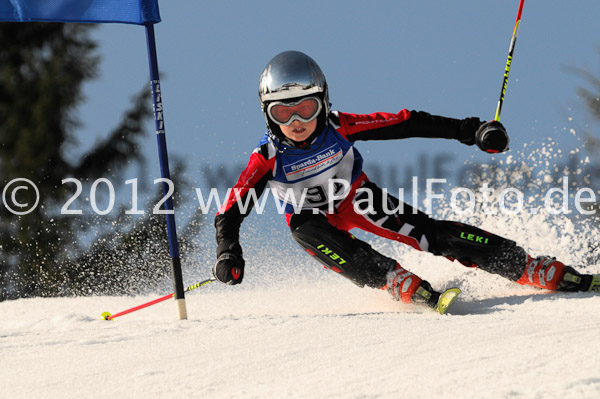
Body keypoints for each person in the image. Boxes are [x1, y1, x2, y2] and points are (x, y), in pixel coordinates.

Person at [212, 50, 600, 313]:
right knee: (303, 230)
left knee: (431, 234)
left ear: (324, 101)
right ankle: (392, 278)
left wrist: (473, 130)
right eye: (283, 112)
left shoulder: (340, 127)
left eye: (306, 108)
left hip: (356, 199)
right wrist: (228, 251)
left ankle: (530, 267)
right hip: (313, 219)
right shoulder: (267, 158)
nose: (296, 121)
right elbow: (230, 212)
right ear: (268, 115)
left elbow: (406, 121)